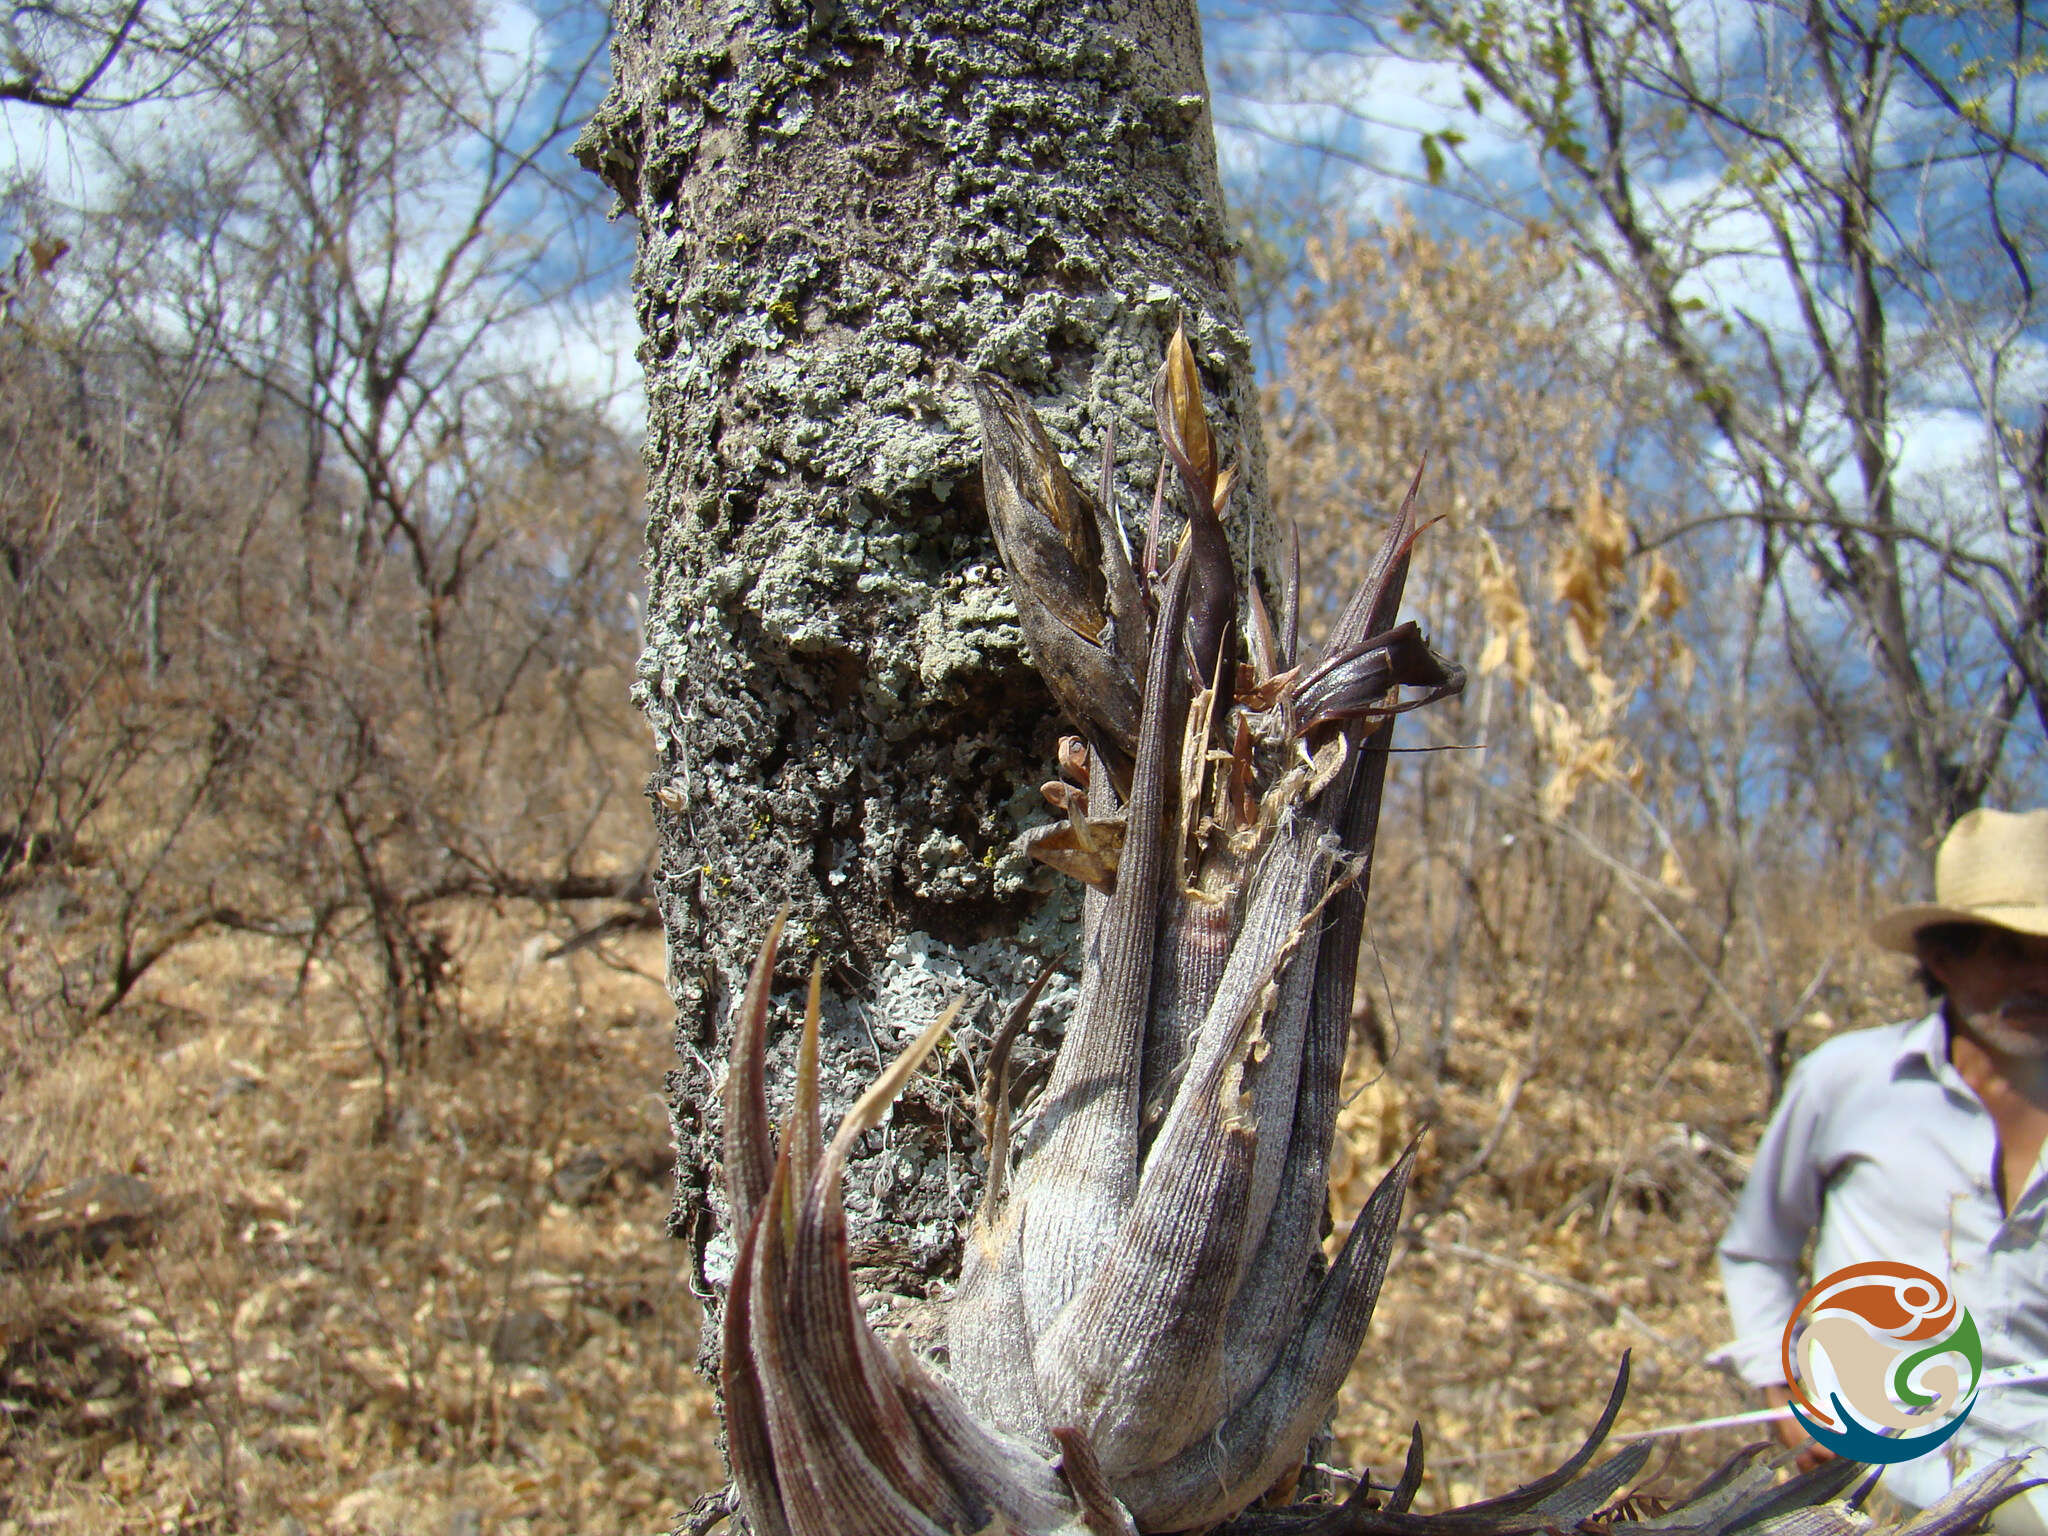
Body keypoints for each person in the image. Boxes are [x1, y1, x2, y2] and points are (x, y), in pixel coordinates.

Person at [1715, 806, 2048, 1530]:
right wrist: (1784, 1398)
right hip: (1869, 1481)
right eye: (2010, 951)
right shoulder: (1849, 1080)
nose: (2037, 978)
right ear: (1943, 957)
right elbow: (1756, 1250)